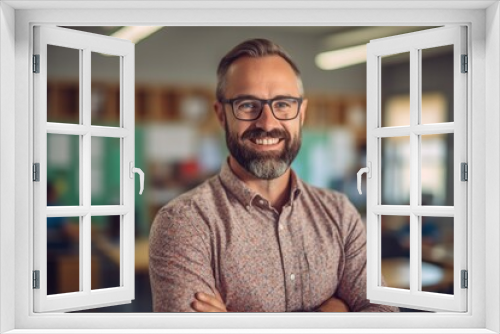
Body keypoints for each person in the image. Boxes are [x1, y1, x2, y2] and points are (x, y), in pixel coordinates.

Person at [149, 38, 398, 313]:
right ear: (221, 115)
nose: (267, 123)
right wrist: (332, 315)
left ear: (301, 114)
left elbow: (384, 318)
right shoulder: (184, 222)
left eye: (283, 105)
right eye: (247, 105)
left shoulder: (339, 214)